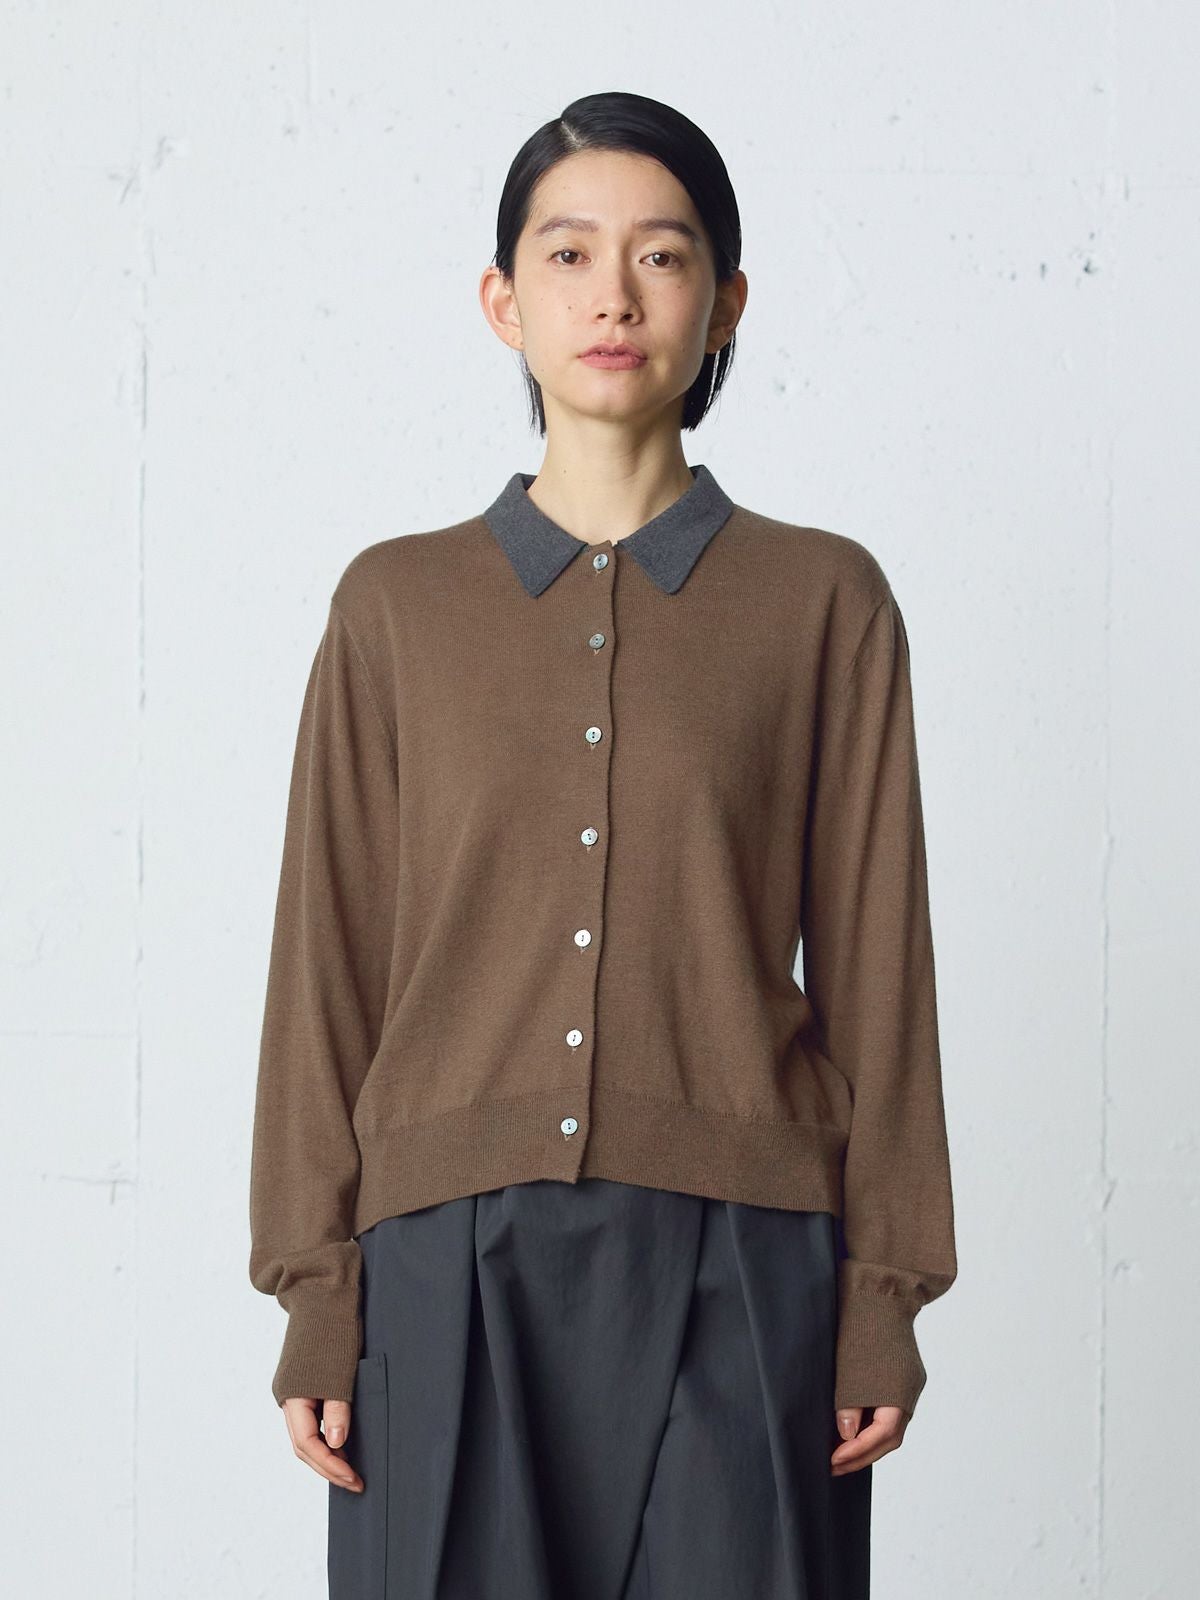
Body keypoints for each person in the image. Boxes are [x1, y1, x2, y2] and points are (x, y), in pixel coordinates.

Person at [248, 89, 957, 1600]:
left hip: (746, 1254)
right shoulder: (393, 608)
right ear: (503, 301)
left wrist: (883, 1295)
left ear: (726, 303)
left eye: (662, 255)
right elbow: (326, 969)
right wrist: (317, 1289)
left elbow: (880, 975)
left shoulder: (823, 603)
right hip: (441, 1264)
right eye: (568, 254)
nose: (614, 296)